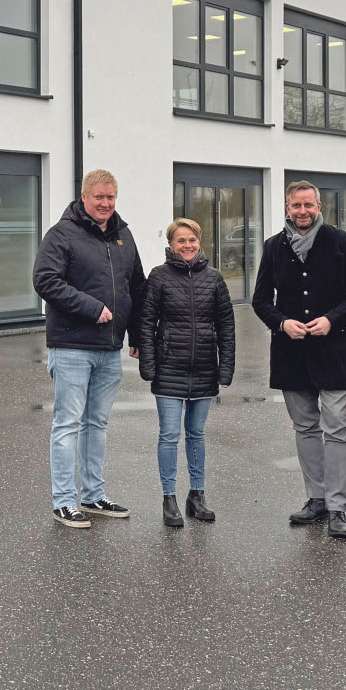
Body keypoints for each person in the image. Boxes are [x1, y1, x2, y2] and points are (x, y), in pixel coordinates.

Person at [252, 181, 346, 540]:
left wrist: (332, 319)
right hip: (291, 354)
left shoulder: (343, 243)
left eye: (308, 205)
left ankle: (337, 507)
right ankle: (316, 499)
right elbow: (261, 300)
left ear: (319, 205)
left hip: (334, 351)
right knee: (305, 428)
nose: (302, 211)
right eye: (296, 206)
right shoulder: (273, 247)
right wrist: (281, 322)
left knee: (337, 427)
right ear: (287, 208)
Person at [32, 168, 147, 528]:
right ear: (84, 197)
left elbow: (137, 288)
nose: (105, 203)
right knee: (67, 424)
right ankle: (64, 501)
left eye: (111, 197)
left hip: (108, 349)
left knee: (96, 423)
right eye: (99, 197)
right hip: (71, 347)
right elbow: (44, 280)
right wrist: (91, 307)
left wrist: (138, 336)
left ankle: (93, 496)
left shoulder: (123, 236)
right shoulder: (62, 234)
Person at [138, 217, 235, 528]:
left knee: (196, 435)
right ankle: (169, 498)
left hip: (205, 368)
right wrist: (149, 366)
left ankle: (197, 495)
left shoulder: (215, 279)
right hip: (169, 368)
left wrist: (226, 367)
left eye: (192, 240)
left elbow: (227, 328)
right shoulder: (158, 277)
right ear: (171, 245)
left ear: (199, 241)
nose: (187, 245)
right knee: (169, 436)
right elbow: (146, 323)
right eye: (181, 241)